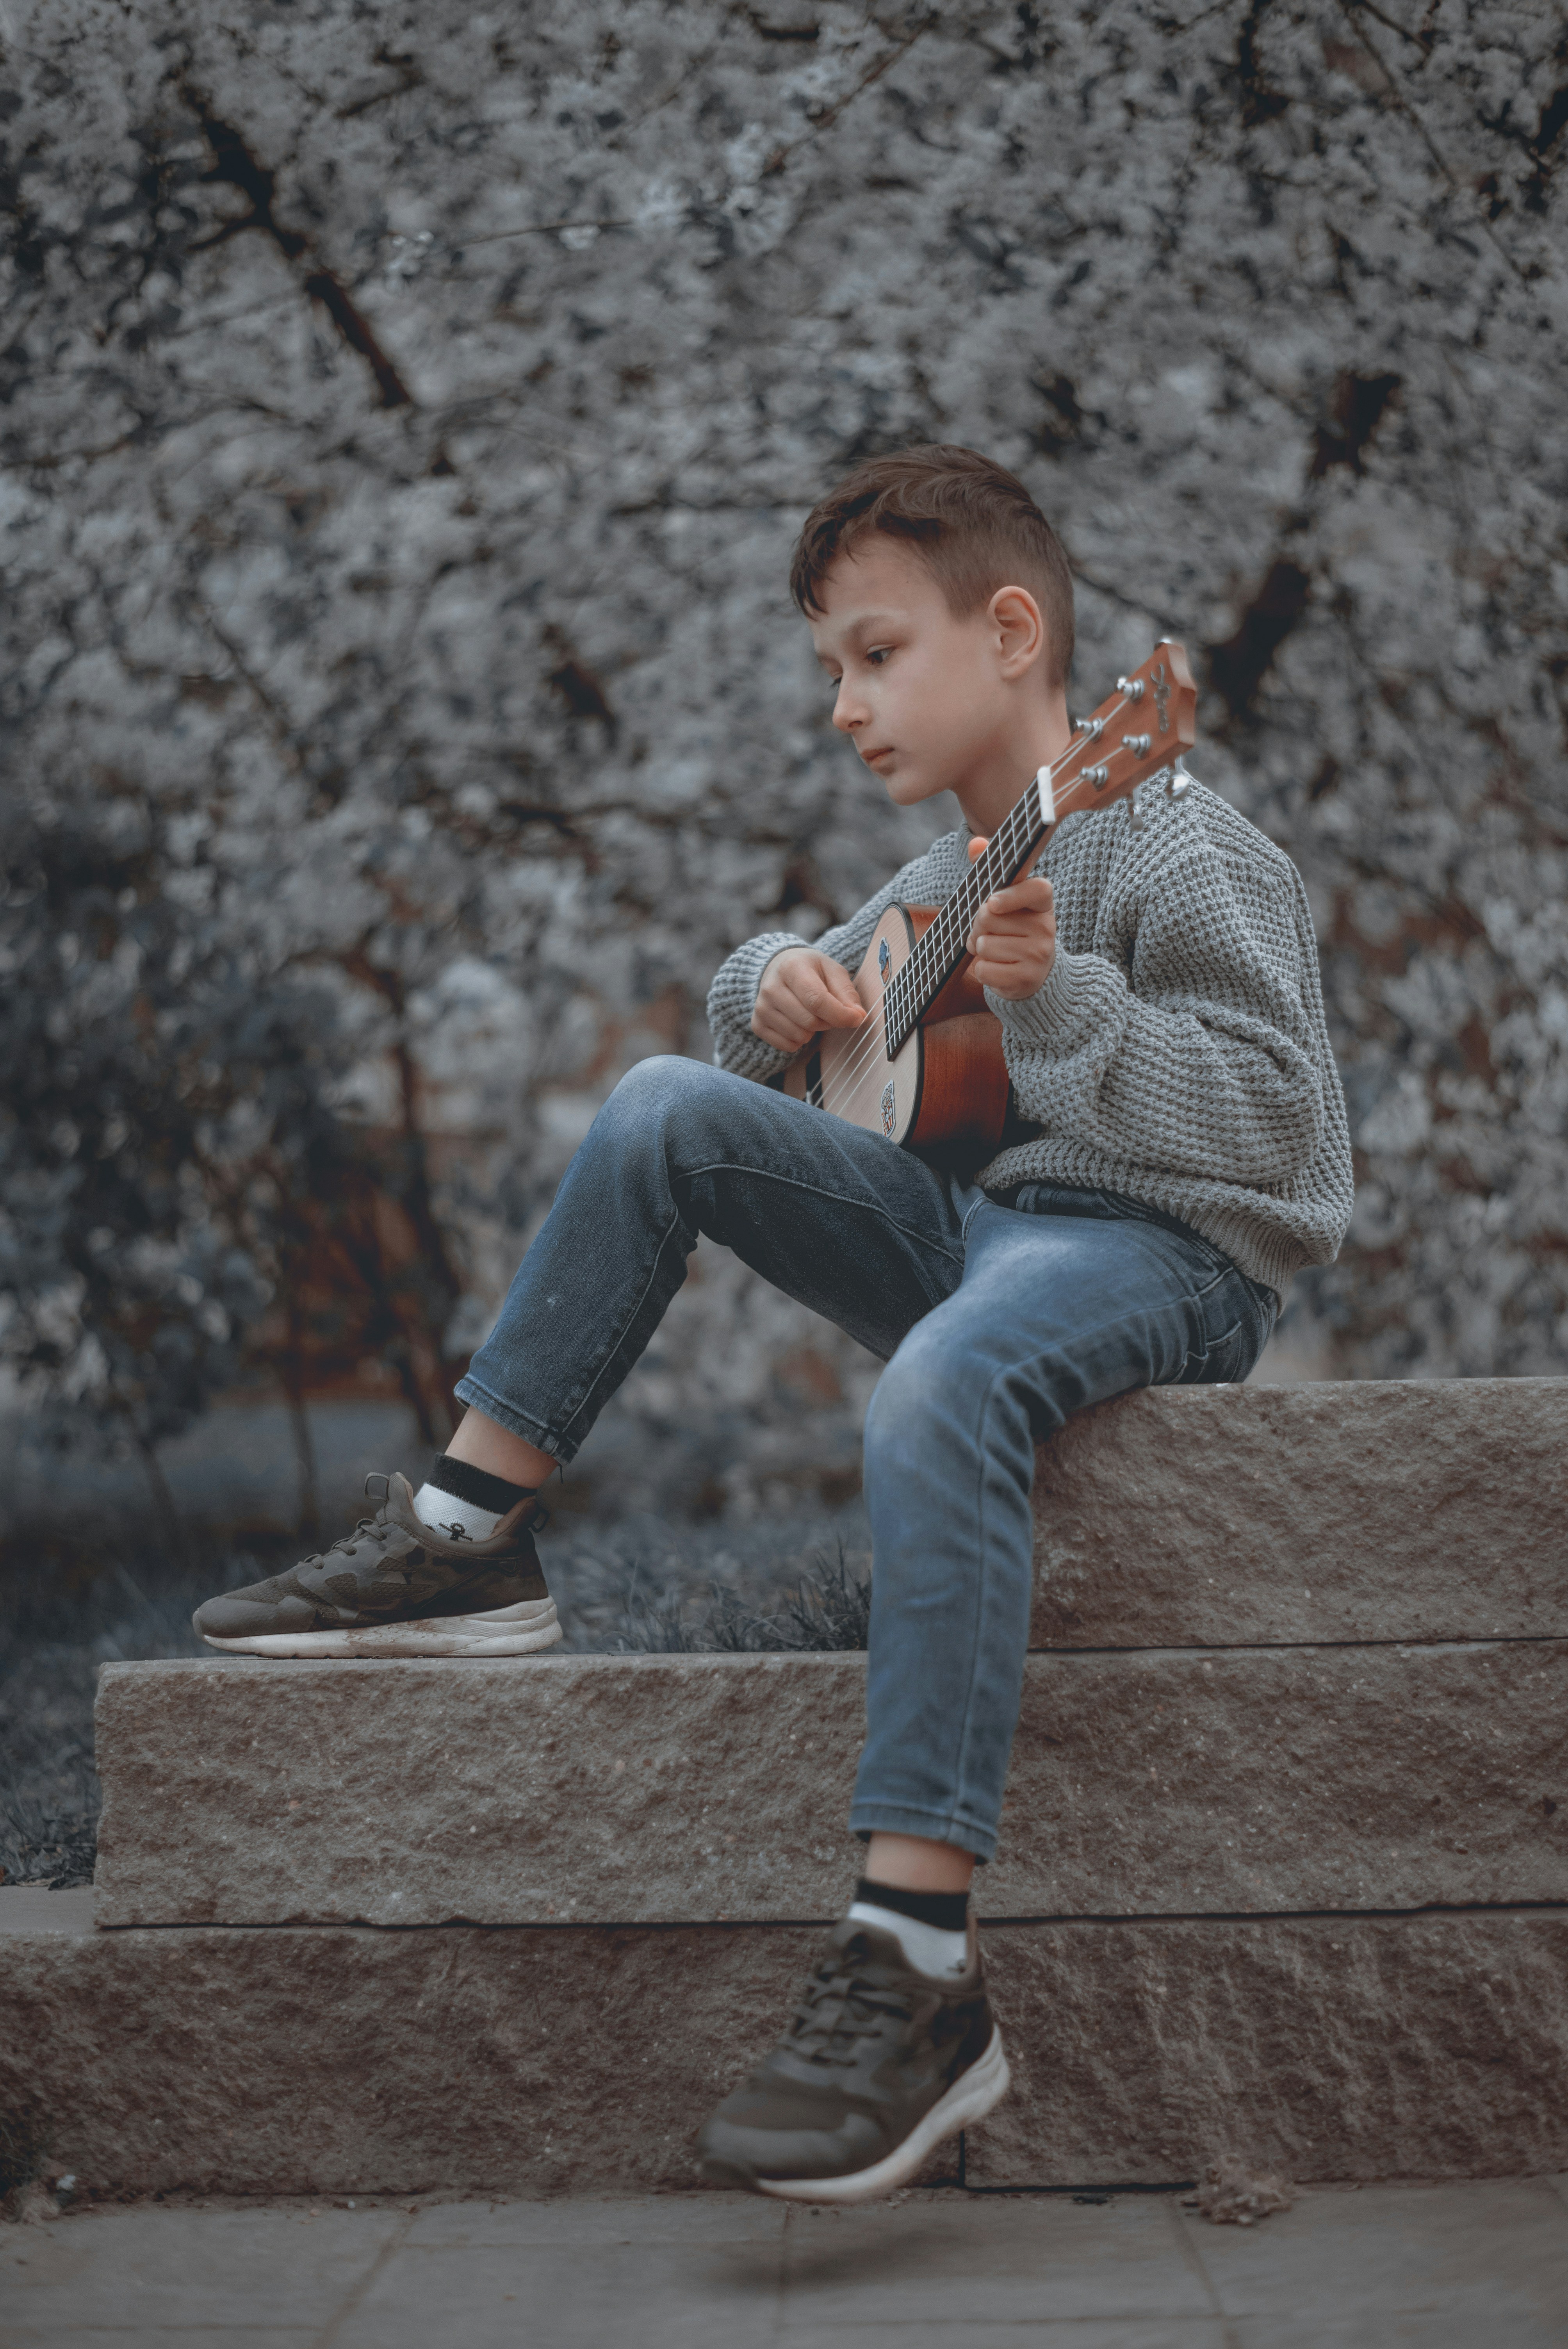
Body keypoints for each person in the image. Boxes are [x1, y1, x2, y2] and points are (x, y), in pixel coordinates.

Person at [192, 445, 1354, 2202]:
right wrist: (774, 983)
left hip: (1155, 1256)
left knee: (943, 1378)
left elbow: (1291, 1145)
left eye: (872, 655)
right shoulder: (938, 875)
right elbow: (786, 1054)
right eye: (832, 669)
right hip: (981, 1230)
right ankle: (461, 1535)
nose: (841, 706)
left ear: (1013, 631)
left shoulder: (1182, 841)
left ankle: (915, 1969)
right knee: (662, 1097)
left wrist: (1077, 1006)